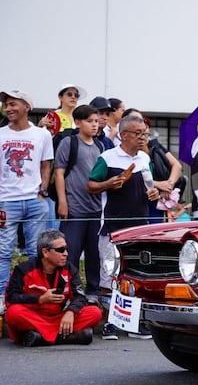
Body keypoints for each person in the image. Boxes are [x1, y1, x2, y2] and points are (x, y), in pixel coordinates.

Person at [87, 114, 159, 339]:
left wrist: (154, 193)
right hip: (112, 226)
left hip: (139, 226)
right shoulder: (107, 158)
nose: (142, 138)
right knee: (110, 275)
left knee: (136, 275)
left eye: (144, 134)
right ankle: (110, 322)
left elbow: (151, 187)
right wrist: (108, 183)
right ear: (124, 134)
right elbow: (90, 185)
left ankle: (134, 323)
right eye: (138, 134)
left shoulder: (144, 159)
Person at [0, 90, 54, 316]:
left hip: (34, 199)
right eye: (6, 105)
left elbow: (46, 165)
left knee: (36, 251)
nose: (8, 108)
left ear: (26, 107)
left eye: (13, 104)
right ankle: (2, 296)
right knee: (3, 250)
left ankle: (34, 293)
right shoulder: (0, 133)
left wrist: (42, 191)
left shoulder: (42, 135)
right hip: (6, 200)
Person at [4, 229, 102, 346]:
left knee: (95, 312)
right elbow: (11, 298)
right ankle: (67, 337)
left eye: (66, 249)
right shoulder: (23, 270)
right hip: (33, 318)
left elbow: (80, 296)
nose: (66, 253)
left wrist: (71, 312)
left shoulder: (69, 269)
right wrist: (40, 299)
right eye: (60, 250)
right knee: (13, 313)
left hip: (59, 318)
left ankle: (40, 337)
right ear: (45, 252)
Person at [53, 104, 104, 304]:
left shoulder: (100, 145)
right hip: (74, 209)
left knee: (94, 254)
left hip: (96, 209)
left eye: (96, 121)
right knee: (69, 253)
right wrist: (62, 202)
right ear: (78, 122)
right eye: (90, 121)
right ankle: (68, 291)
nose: (94, 125)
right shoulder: (69, 143)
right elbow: (59, 172)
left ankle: (92, 292)